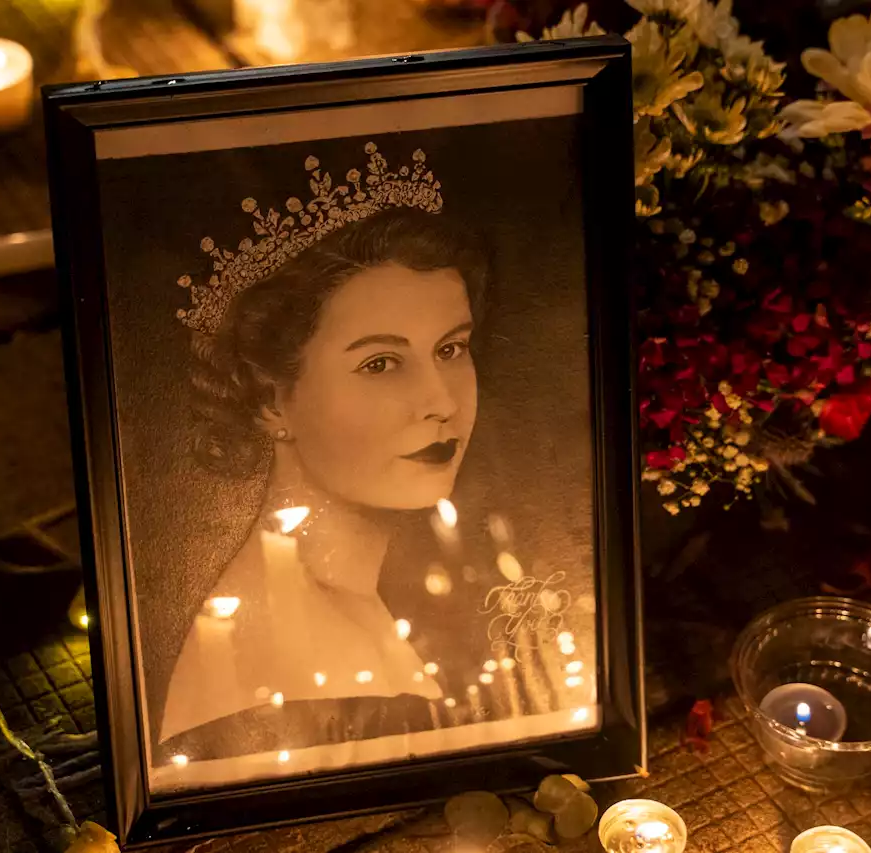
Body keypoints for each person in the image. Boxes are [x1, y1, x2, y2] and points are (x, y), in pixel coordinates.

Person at [157, 200, 588, 777]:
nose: (441, 403)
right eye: (380, 364)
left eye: (450, 349)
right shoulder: (286, 661)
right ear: (270, 400)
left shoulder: (364, 594)